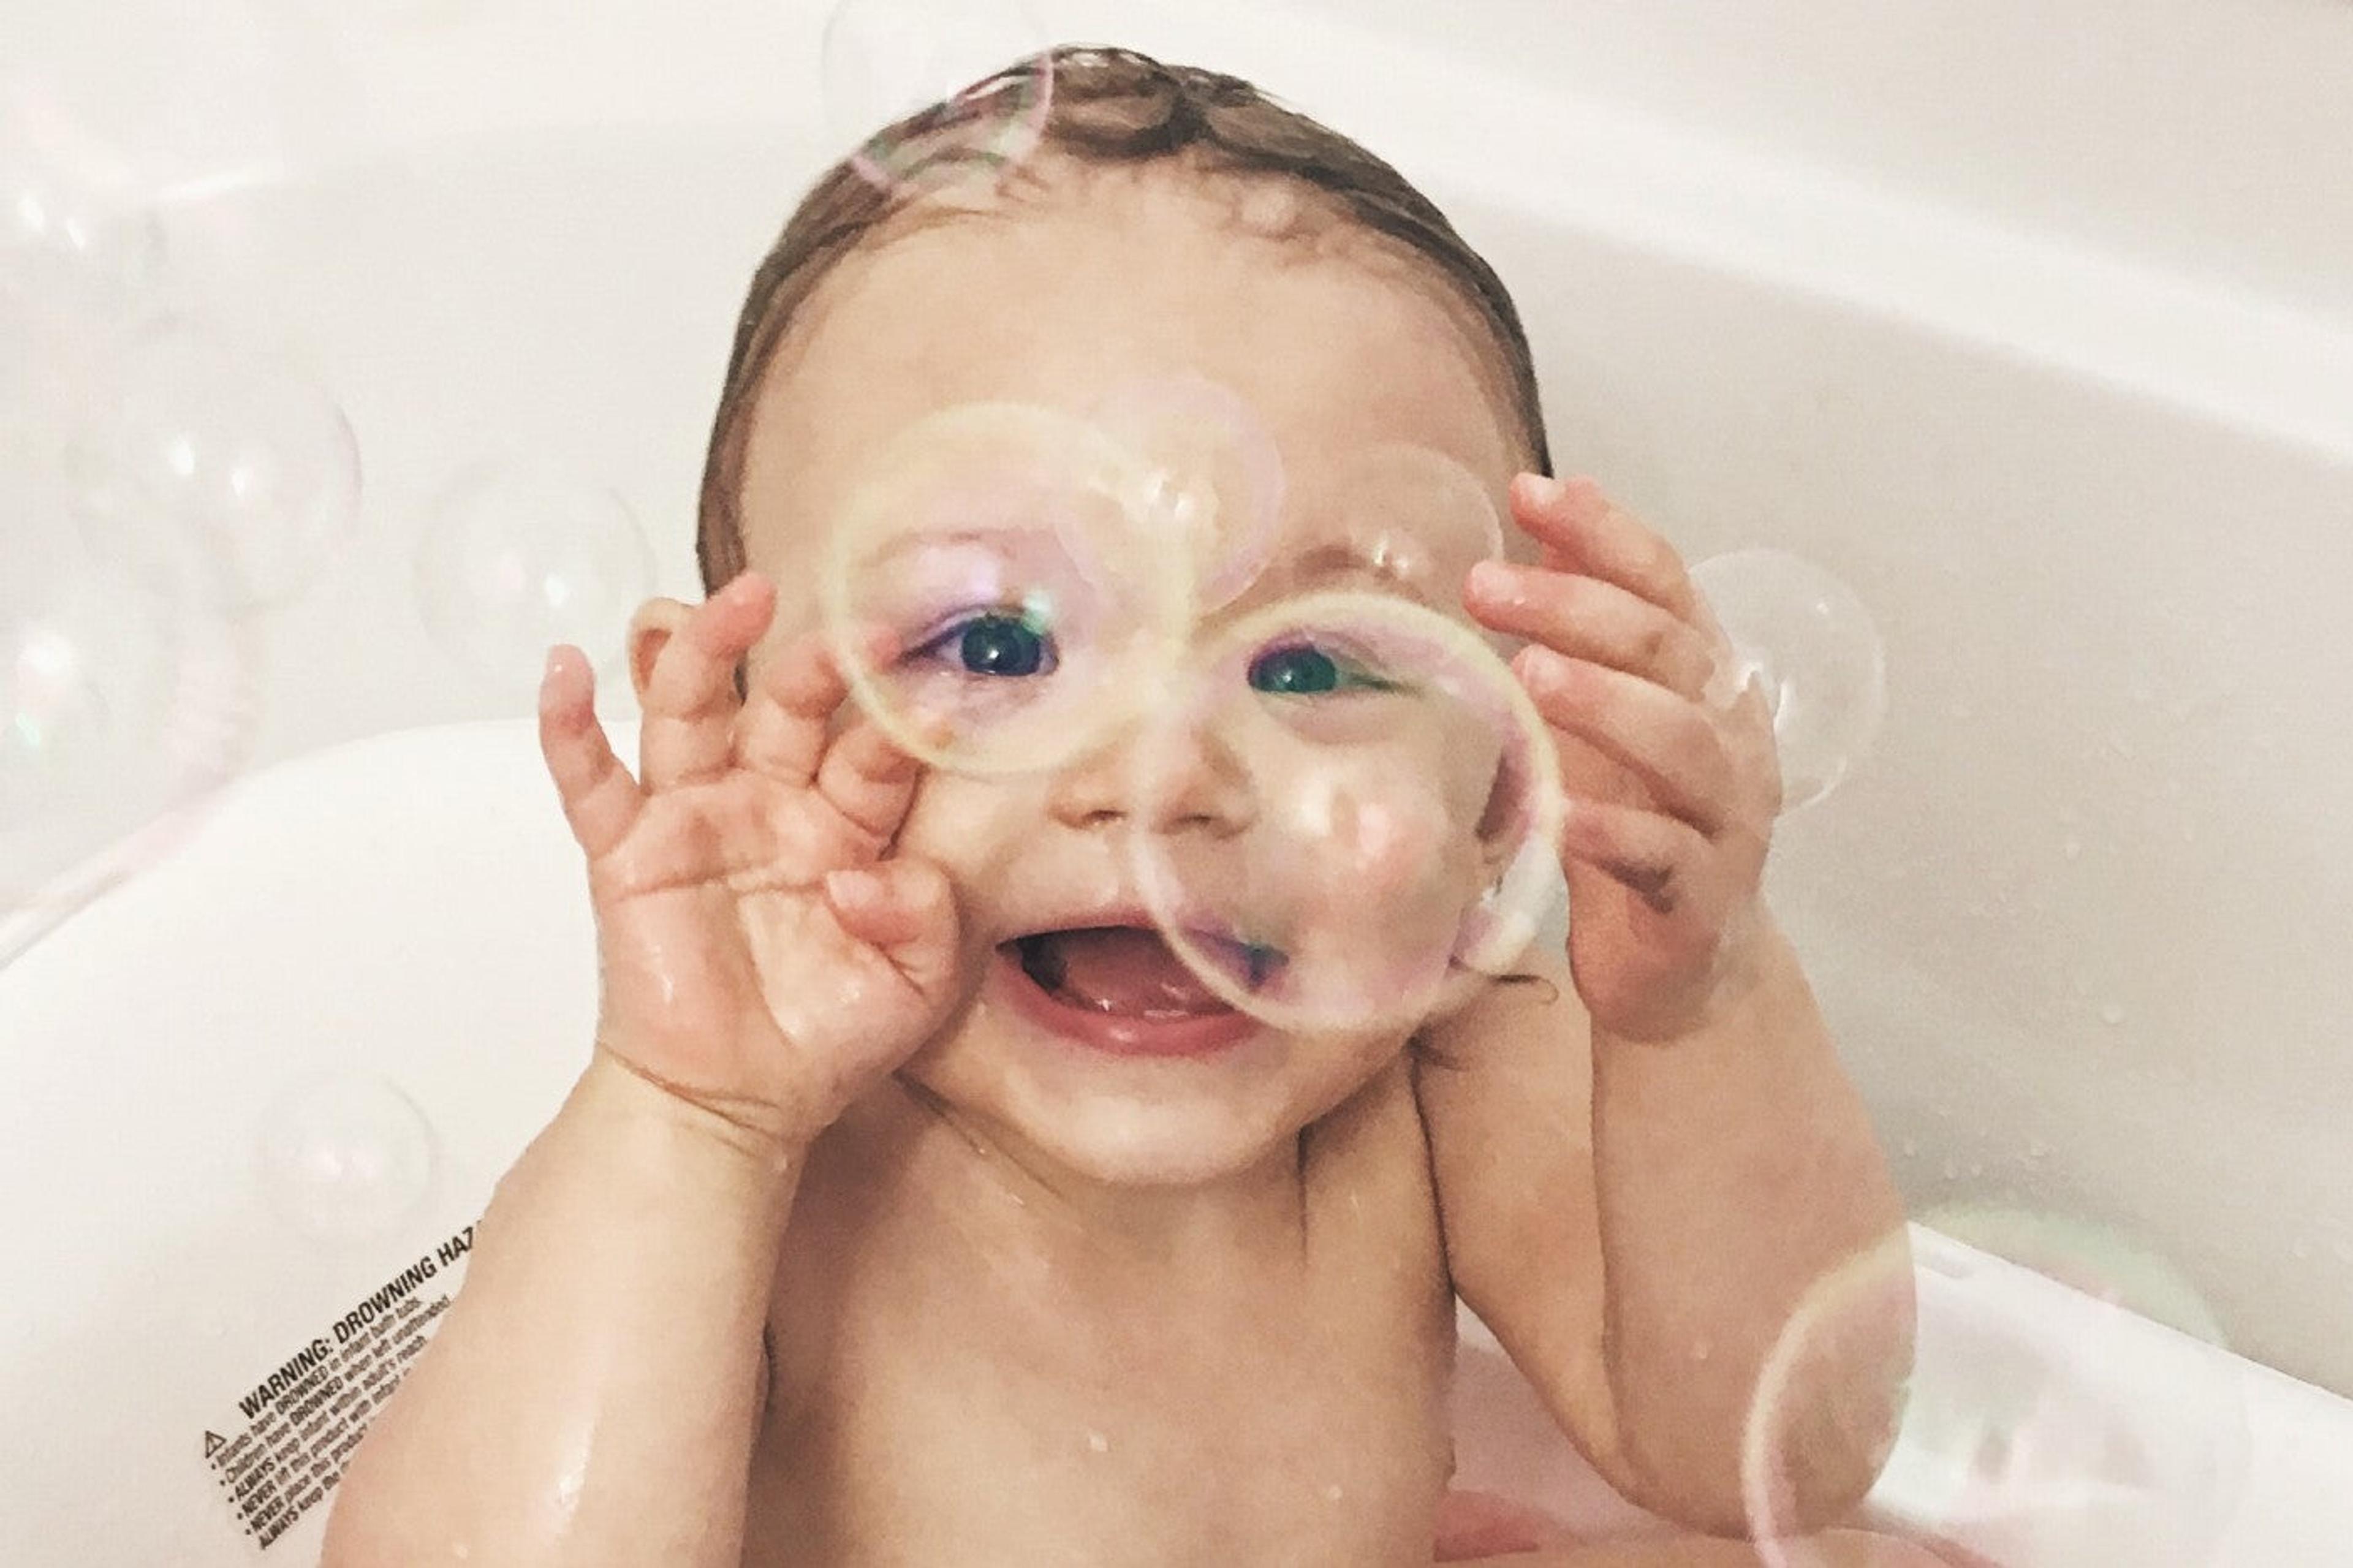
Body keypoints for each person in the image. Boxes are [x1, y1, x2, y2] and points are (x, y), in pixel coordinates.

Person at [324, 48, 1933, 1567]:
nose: (1164, 779)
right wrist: (692, 1114)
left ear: (1501, 789)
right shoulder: (770, 1165)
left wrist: (1697, 1008)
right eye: (998, 642)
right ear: (737, 729)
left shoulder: (1446, 1064)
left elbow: (1768, 1455)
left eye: (1311, 667)